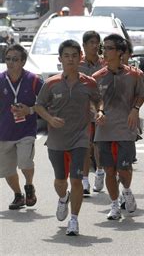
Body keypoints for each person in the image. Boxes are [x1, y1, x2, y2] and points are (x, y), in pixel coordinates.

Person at [35, 40, 101, 236]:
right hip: (57, 139)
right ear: (60, 59)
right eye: (67, 56)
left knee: (77, 180)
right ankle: (63, 198)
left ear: (80, 57)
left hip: (80, 136)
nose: (70, 59)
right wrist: (49, 119)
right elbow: (39, 106)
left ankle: (74, 220)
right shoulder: (51, 83)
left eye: (74, 55)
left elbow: (98, 100)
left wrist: (100, 112)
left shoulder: (89, 82)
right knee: (60, 181)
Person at [92, 34, 144, 219]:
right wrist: (98, 112)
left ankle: (127, 191)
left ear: (120, 52)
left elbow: (141, 94)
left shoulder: (135, 74)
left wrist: (135, 109)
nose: (104, 52)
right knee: (109, 170)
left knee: (124, 169)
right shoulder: (97, 77)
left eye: (109, 48)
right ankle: (114, 205)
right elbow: (94, 100)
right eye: (103, 48)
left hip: (126, 127)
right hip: (104, 129)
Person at [0, 45, 43, 210]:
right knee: (7, 169)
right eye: (8, 59)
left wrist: (30, 110)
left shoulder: (33, 80)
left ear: (23, 62)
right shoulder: (1, 79)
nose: (10, 62)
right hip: (4, 132)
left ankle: (29, 186)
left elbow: (47, 100)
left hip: (26, 131)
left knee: (25, 161)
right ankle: (18, 195)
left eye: (15, 59)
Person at [78, 30, 106, 195]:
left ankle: (100, 171)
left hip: (102, 108)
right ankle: (84, 180)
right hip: (82, 110)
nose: (94, 46)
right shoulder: (78, 64)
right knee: (85, 144)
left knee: (98, 143)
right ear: (84, 45)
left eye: (97, 43)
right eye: (91, 43)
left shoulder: (104, 63)